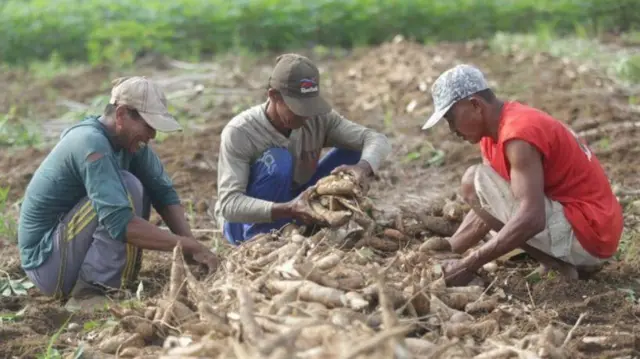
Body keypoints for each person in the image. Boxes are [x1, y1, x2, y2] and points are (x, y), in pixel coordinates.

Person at [18, 76, 219, 309]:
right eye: (148, 125)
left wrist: (192, 247)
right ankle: (89, 293)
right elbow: (120, 223)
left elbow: (163, 193)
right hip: (47, 264)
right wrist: (186, 245)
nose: (152, 135)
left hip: (69, 250)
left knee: (137, 187)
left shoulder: (131, 144)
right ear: (122, 115)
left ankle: (107, 284)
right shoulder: (90, 142)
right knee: (128, 186)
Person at [421, 64, 624, 286]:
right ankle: (561, 264)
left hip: (590, 234)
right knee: (478, 186)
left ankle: (558, 267)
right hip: (589, 232)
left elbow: (532, 217)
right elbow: (489, 203)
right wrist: (449, 248)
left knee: (472, 180)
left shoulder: (518, 135)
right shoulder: (493, 134)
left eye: (451, 119)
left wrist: (469, 263)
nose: (452, 130)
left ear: (475, 105)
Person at [214, 53, 392, 245]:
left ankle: (313, 225)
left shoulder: (319, 119)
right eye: (299, 108)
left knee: (355, 152)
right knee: (278, 160)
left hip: (299, 205)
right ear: (274, 96)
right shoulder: (240, 132)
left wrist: (363, 168)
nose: (307, 116)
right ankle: (266, 239)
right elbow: (229, 205)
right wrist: (289, 208)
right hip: (243, 224)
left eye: (310, 106)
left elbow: (376, 139)